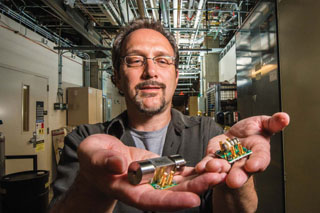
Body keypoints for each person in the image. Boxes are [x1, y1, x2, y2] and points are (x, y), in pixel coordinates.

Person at [49, 18, 290, 213]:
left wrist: (236, 173)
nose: (150, 71)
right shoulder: (86, 141)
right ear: (117, 78)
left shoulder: (209, 134)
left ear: (175, 77)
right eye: (135, 60)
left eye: (162, 61)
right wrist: (93, 185)